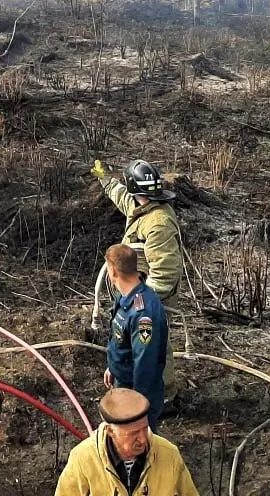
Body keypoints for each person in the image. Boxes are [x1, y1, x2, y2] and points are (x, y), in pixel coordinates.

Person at [93, 159, 183, 403]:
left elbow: (165, 271)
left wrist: (142, 302)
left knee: (154, 344)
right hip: (140, 289)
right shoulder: (141, 204)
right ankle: (139, 383)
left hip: (155, 294)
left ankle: (164, 396)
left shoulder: (158, 223)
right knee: (139, 342)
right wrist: (105, 179)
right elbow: (123, 196)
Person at [55, 388, 200, 496]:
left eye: (144, 429)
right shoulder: (82, 459)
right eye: (133, 434)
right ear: (110, 431)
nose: (143, 439)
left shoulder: (169, 455)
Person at [102, 244, 168, 430]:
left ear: (113, 270)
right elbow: (121, 339)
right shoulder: (124, 298)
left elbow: (145, 362)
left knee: (138, 443)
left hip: (138, 393)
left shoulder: (144, 313)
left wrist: (136, 408)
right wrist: (113, 367)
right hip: (123, 383)